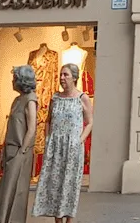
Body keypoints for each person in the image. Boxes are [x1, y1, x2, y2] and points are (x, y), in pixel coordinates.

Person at [31, 63, 93, 223]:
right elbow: (48, 121)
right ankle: (57, 220)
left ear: (74, 77)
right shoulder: (55, 98)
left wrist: (80, 140)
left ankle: (69, 220)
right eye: (61, 75)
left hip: (72, 146)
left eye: (65, 75)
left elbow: (90, 122)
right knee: (55, 184)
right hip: (55, 145)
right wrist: (47, 139)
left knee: (70, 183)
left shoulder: (82, 98)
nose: (62, 78)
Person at [0, 66, 38, 223]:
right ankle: (5, 219)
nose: (12, 81)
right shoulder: (17, 100)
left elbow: (32, 128)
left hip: (19, 151)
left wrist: (22, 150)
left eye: (14, 78)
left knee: (16, 189)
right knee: (6, 190)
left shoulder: (30, 99)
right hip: (11, 149)